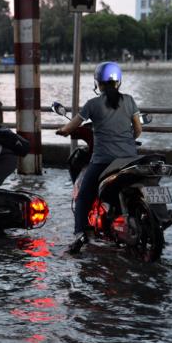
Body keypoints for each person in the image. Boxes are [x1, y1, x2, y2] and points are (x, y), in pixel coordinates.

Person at [56, 61, 143, 254]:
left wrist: (62, 131)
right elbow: (138, 129)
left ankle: (80, 234)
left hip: (103, 160)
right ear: (118, 82)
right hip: (130, 159)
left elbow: (72, 126)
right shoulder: (129, 100)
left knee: (83, 197)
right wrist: (128, 141)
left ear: (98, 83)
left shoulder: (93, 104)